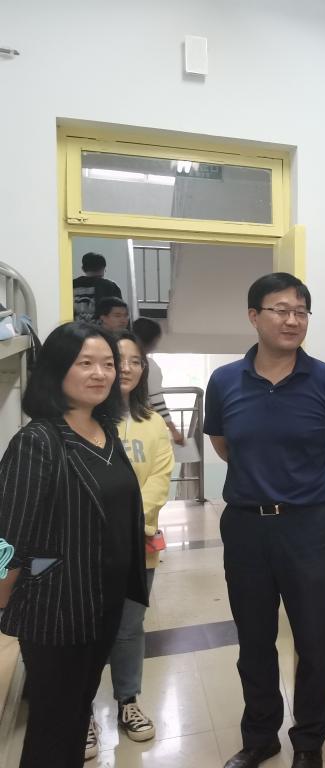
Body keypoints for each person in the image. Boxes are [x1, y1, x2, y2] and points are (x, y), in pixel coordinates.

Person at [204, 273, 325, 768]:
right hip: (246, 526)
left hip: (308, 527)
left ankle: (308, 740)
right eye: (281, 310)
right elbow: (223, 444)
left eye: (301, 312)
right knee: (254, 640)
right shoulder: (224, 381)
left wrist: (303, 494)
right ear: (254, 316)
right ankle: (260, 736)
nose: (292, 320)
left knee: (314, 639)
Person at [0, 322, 147, 768]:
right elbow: (7, 538)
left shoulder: (106, 432)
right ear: (57, 369)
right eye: (85, 363)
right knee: (53, 726)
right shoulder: (37, 441)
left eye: (108, 364)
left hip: (104, 603)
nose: (100, 374)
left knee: (77, 710)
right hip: (56, 608)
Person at [83, 330, 174, 755]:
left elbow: (159, 477)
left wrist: (133, 521)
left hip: (138, 541)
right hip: (86, 544)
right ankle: (81, 709)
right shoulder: (81, 418)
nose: (128, 368)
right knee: (84, 629)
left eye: (137, 361)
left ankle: (128, 701)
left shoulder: (151, 423)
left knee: (129, 628)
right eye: (120, 360)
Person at [133, 317, 186, 445]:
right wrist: (174, 431)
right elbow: (157, 401)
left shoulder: (117, 360)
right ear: (153, 341)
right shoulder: (148, 365)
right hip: (140, 423)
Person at [73, 252, 123, 323]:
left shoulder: (71, 285)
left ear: (83, 269)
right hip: (102, 328)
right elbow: (119, 312)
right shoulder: (111, 286)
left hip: (75, 327)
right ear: (103, 269)